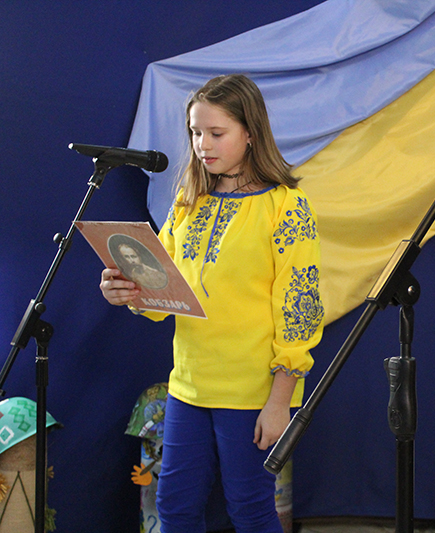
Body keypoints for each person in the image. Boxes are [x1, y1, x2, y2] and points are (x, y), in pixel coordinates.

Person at [100, 74, 324, 533]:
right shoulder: (188, 202)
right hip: (188, 386)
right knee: (174, 508)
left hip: (253, 393)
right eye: (195, 132)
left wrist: (280, 402)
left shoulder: (287, 207)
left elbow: (299, 312)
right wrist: (126, 292)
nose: (202, 144)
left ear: (251, 133)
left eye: (216, 132)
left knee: (251, 511)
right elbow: (162, 295)